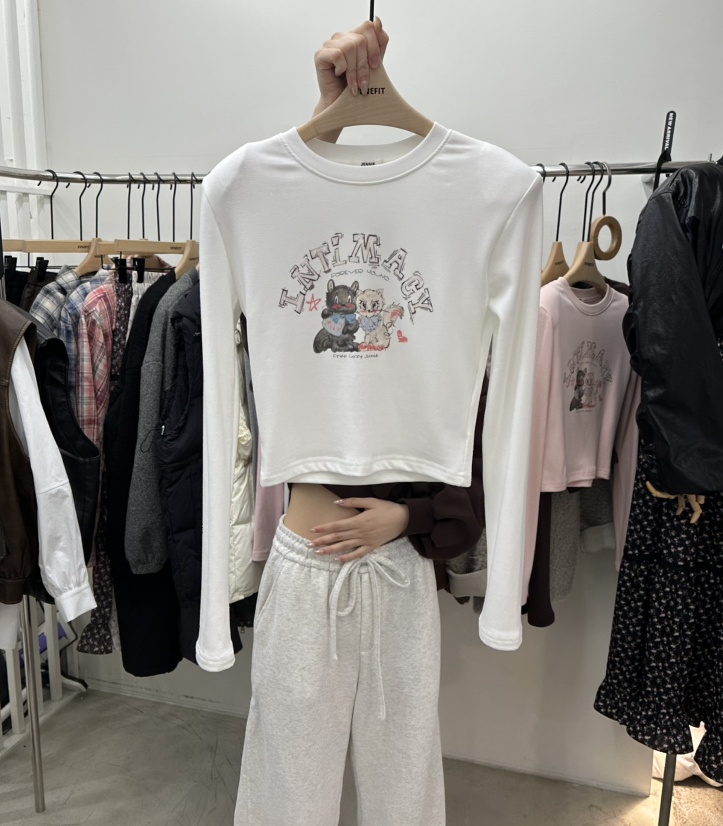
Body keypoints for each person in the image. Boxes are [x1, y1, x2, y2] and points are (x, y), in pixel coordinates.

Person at [234, 19, 485, 825]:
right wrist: (325, 117)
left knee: (403, 782)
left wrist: (409, 517)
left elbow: (469, 454)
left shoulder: (458, 228)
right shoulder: (262, 210)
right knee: (286, 783)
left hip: (398, 569)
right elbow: (283, 213)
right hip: (305, 563)